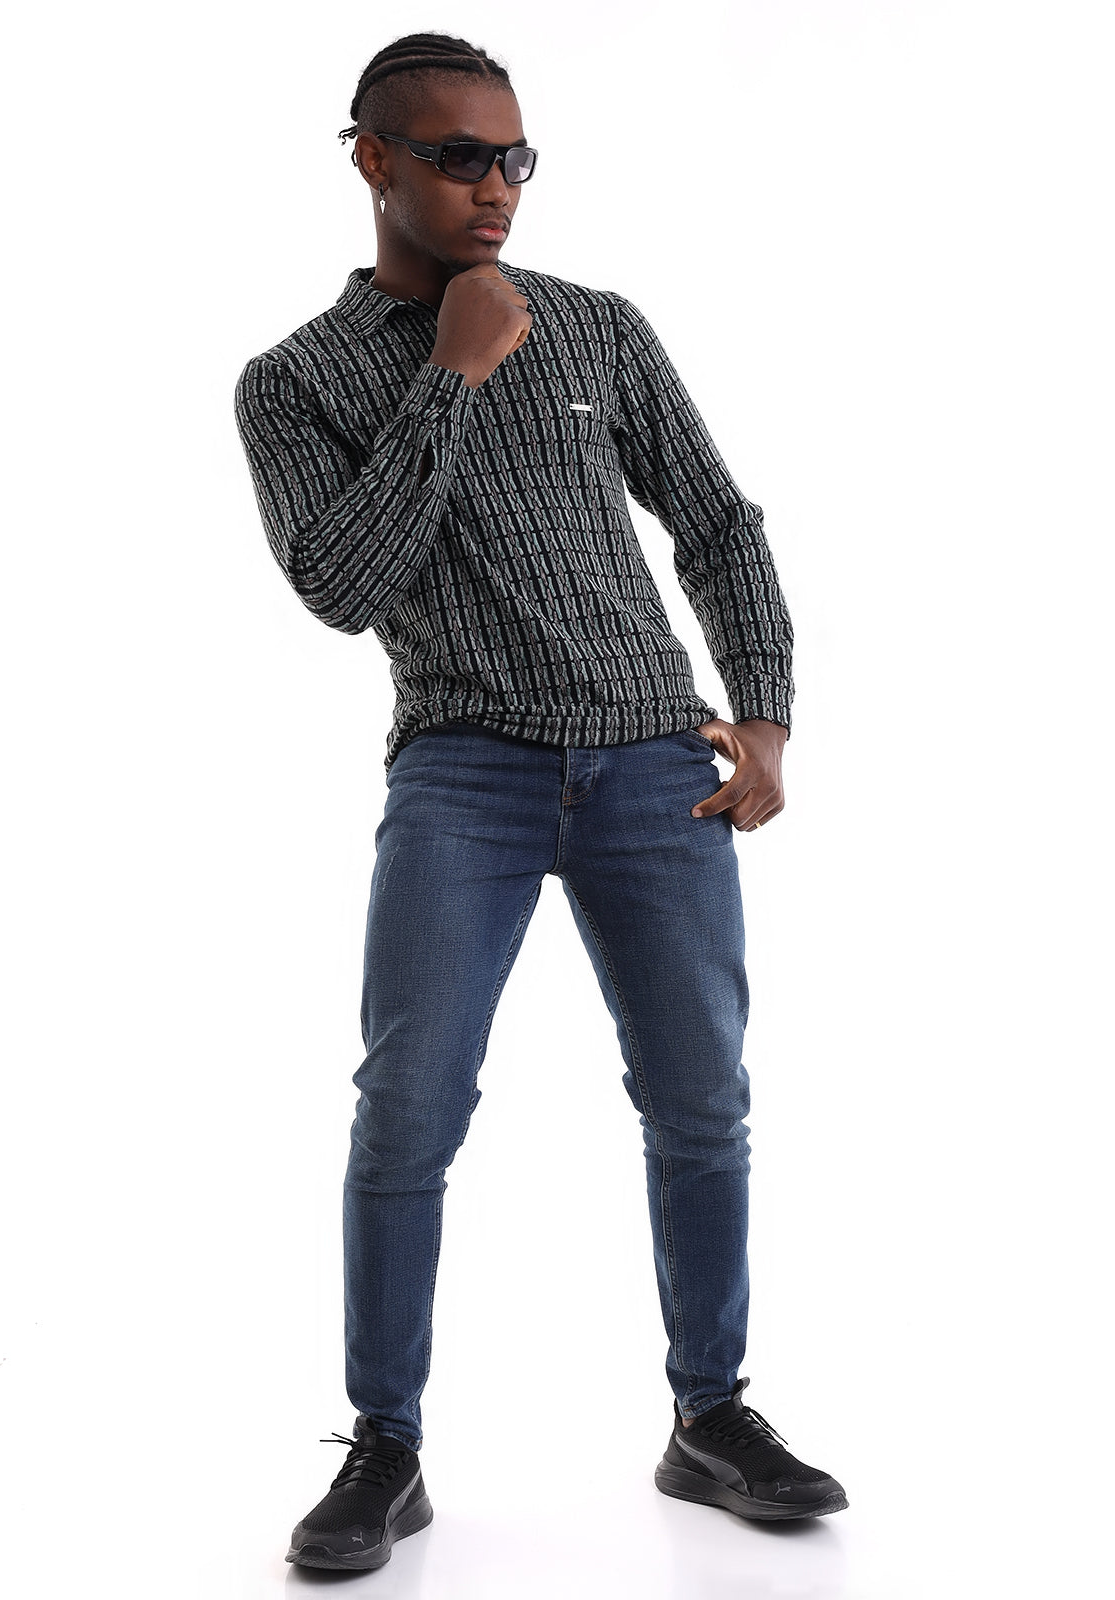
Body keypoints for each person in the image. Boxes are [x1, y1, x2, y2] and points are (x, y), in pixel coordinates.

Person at [234, 29, 847, 1573]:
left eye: (514, 157)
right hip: (465, 769)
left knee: (701, 1099)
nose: (495, 187)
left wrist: (766, 714)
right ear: (373, 160)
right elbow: (341, 584)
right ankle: (386, 1446)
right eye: (459, 157)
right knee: (411, 1105)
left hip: (654, 765)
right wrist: (451, 371)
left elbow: (717, 521)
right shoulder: (295, 381)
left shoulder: (599, 328)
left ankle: (711, 1414)